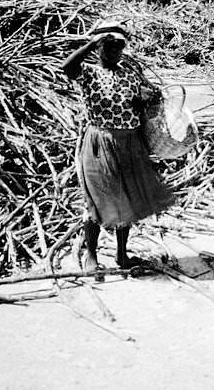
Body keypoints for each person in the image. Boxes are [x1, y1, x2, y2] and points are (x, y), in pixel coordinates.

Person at [61, 19, 174, 270]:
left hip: (130, 143)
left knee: (126, 200)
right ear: (98, 47)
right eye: (109, 46)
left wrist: (147, 101)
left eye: (119, 46)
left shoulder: (131, 73)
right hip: (100, 143)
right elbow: (67, 68)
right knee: (96, 200)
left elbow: (150, 101)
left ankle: (122, 255)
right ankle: (92, 254)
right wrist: (91, 43)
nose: (115, 51)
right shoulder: (89, 73)